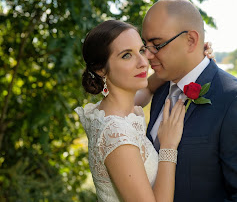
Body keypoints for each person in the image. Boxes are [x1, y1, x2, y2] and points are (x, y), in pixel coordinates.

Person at [142, 0, 237, 201]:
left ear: (191, 40)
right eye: (145, 45)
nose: (148, 56)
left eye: (157, 45)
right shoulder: (160, 92)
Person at [74, 20, 214, 201]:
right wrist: (168, 147)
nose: (143, 62)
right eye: (126, 55)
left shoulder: (112, 109)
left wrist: (191, 58)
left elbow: (148, 88)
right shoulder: (117, 135)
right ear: (100, 69)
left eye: (141, 50)